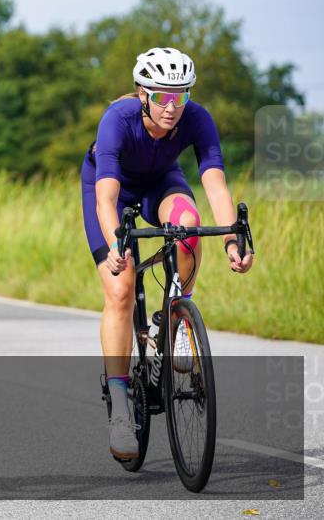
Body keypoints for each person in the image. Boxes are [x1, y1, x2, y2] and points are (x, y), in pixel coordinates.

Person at [80, 47, 254, 460]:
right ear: (142, 93)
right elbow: (106, 198)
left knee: (189, 225)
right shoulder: (117, 121)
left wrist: (233, 240)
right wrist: (118, 247)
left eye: (182, 96)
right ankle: (121, 408)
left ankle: (175, 319)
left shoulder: (197, 119)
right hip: (111, 189)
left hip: (161, 182)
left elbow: (215, 184)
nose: (172, 107)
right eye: (162, 96)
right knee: (120, 289)